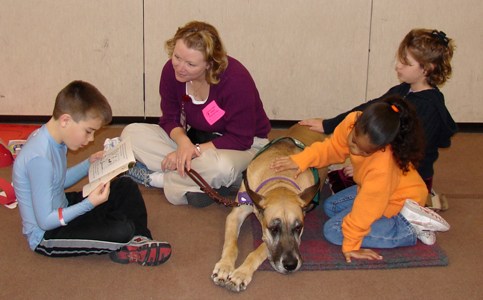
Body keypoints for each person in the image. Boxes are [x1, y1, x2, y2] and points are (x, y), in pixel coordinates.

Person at [270, 96, 450, 263]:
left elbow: (367, 208)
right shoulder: (351, 121)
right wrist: (300, 160)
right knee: (330, 206)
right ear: (356, 124)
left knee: (332, 231)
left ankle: (410, 229)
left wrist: (351, 244)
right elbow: (332, 148)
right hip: (375, 192)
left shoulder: (383, 166)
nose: (355, 151)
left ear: (382, 148)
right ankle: (406, 220)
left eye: (365, 152)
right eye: (354, 143)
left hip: (397, 202)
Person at [13, 81, 171, 266]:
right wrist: (89, 204)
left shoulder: (54, 139)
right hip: (48, 234)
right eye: (88, 131)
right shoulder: (40, 159)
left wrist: (88, 164)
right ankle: (132, 238)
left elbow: (59, 182)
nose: (90, 139)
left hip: (61, 206)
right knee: (122, 230)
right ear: (65, 120)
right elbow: (45, 221)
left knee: (125, 185)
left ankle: (139, 240)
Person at [300, 28, 457, 210]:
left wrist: (366, 168)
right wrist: (329, 124)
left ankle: (421, 207)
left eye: (406, 63)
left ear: (426, 69)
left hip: (408, 174)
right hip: (388, 160)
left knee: (343, 181)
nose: (398, 65)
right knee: (339, 181)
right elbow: (368, 109)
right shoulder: (404, 89)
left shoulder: (429, 108)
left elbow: (409, 155)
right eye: (400, 59)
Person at [121, 21, 271, 207]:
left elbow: (241, 139)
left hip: (243, 146)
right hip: (195, 139)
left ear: (209, 64)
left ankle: (156, 179)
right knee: (131, 134)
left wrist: (194, 152)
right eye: (176, 57)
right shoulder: (171, 71)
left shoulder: (236, 81)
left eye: (190, 64)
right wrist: (184, 144)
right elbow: (169, 119)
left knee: (220, 167)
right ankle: (198, 182)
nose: (179, 67)